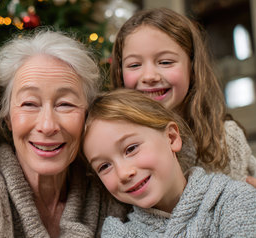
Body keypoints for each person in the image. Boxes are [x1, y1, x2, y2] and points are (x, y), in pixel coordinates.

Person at [82, 89, 256, 238]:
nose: (123, 173)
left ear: (172, 138)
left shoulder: (235, 199)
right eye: (104, 166)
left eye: (131, 149)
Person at [108, 7, 256, 186]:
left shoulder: (224, 139)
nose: (149, 76)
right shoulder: (112, 145)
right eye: (134, 65)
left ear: (192, 69)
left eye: (165, 62)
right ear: (120, 72)